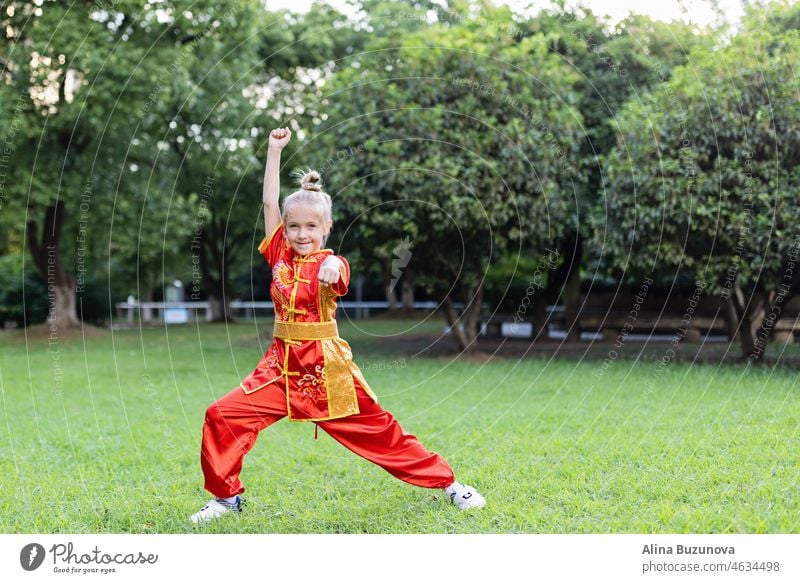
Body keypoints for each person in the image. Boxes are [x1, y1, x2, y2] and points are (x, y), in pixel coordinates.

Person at [191, 127, 485, 523]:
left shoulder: (333, 263)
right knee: (221, 414)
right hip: (279, 368)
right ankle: (226, 499)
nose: (301, 234)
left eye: (311, 227)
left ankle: (450, 485)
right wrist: (274, 151)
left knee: (383, 434)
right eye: (294, 227)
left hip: (325, 373)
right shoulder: (279, 252)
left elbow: (339, 269)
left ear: (325, 229)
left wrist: (331, 265)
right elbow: (267, 202)